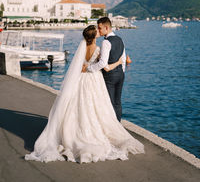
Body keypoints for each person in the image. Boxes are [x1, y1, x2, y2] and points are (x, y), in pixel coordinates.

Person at [25, 25, 144, 163]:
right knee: (96, 105)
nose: (99, 32)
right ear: (93, 36)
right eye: (97, 32)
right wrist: (118, 62)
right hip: (94, 79)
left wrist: (86, 66)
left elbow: (80, 65)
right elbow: (104, 66)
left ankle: (72, 133)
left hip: (80, 78)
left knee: (77, 105)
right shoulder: (98, 49)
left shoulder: (81, 49)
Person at [83, 17, 125, 122]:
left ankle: (113, 125)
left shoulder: (106, 42)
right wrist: (121, 70)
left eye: (100, 28)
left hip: (110, 75)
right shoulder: (120, 39)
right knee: (118, 102)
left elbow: (102, 63)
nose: (98, 30)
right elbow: (123, 58)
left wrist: (89, 68)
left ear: (106, 27)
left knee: (109, 102)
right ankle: (118, 124)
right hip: (120, 74)